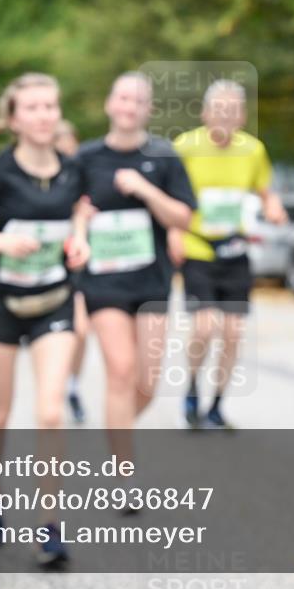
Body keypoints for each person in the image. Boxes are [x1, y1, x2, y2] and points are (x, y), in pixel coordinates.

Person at [0, 73, 90, 568]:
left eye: (50, 106)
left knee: (50, 411)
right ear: (13, 119)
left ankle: (49, 527)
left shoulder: (74, 169)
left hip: (53, 299)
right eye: (32, 108)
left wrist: (80, 237)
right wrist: (2, 242)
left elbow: (81, 213)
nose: (44, 115)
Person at [77, 71, 195, 470]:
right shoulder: (85, 158)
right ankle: (122, 470)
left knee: (148, 382)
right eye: (122, 98)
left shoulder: (163, 156)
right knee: (121, 371)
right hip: (102, 281)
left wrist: (145, 190)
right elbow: (66, 211)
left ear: (149, 109)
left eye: (137, 100)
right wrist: (78, 219)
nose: (128, 107)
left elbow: (183, 218)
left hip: (151, 282)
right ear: (110, 104)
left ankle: (116, 433)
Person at [168, 79, 287, 429]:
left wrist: (275, 207)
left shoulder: (252, 150)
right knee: (205, 328)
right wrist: (174, 232)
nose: (225, 116)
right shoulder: (185, 146)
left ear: (242, 116)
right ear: (205, 113)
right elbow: (169, 195)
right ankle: (190, 389)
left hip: (235, 249)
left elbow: (265, 191)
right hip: (198, 246)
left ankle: (217, 406)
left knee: (233, 333)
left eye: (232, 110)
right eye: (219, 109)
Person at [54, 118, 89, 422]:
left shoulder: (82, 178)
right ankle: (54, 381)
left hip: (78, 261)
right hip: (47, 264)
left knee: (80, 330)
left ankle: (73, 385)